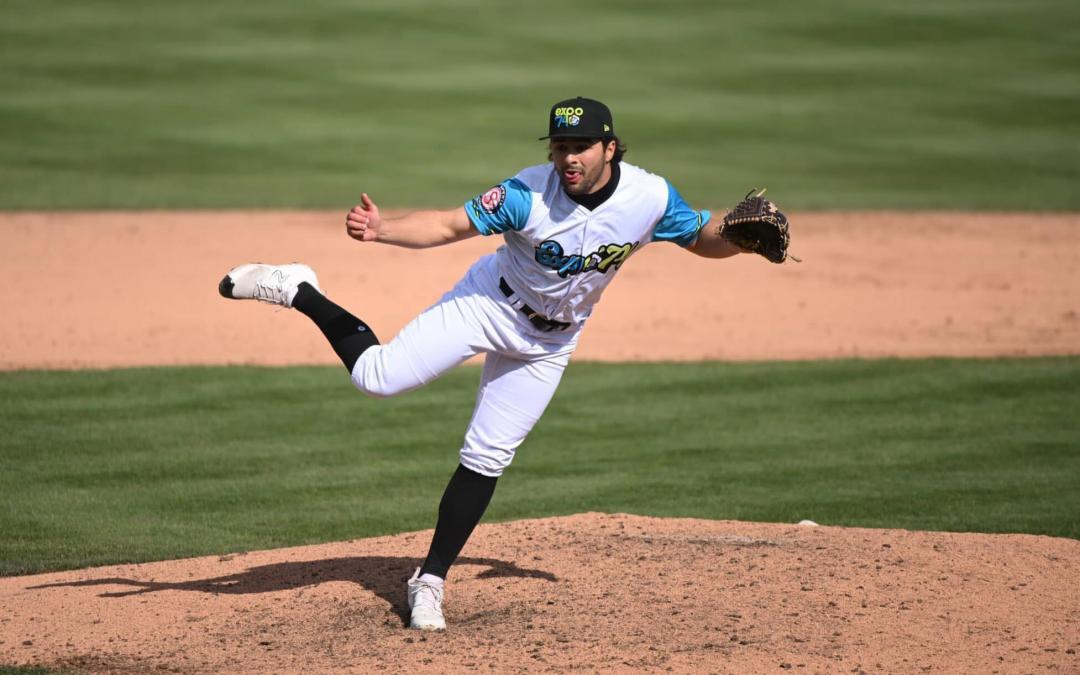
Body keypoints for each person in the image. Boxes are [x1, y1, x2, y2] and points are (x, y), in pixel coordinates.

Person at [219, 96, 758, 631]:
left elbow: (699, 236)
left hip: (552, 343)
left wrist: (738, 239)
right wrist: (381, 229)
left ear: (609, 148)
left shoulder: (650, 196)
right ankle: (300, 288)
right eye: (560, 147)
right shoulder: (525, 194)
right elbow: (450, 225)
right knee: (376, 378)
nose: (568, 158)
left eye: (580, 147)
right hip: (489, 304)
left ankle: (428, 582)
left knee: (488, 456)